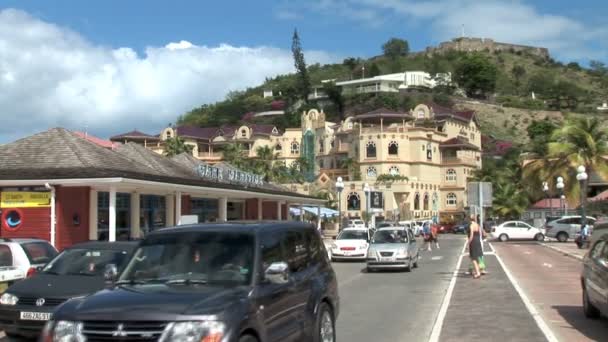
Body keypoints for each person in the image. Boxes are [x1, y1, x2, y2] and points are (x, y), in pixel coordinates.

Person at [468, 214, 483, 279]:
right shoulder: (477, 225)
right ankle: (479, 270)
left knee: (473, 258)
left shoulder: (471, 225)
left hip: (473, 241)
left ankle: (478, 273)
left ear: (470, 219)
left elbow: (471, 235)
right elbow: (480, 233)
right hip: (478, 240)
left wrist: (468, 242)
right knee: (477, 257)